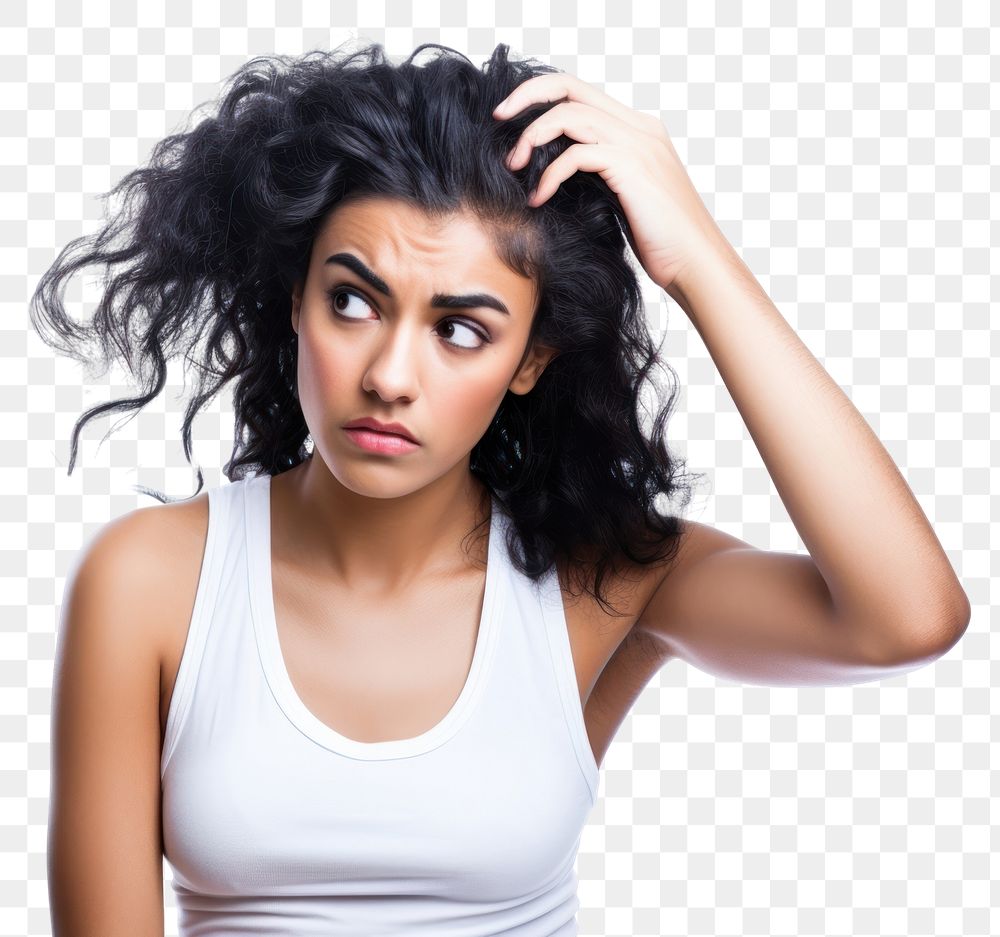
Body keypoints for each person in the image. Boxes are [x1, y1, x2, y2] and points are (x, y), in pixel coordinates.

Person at [33, 40, 971, 936]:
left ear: (531, 359)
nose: (390, 375)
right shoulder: (149, 581)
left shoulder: (598, 580)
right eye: (352, 301)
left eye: (462, 330)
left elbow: (905, 618)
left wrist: (697, 260)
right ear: (294, 300)